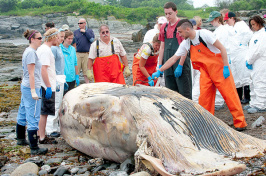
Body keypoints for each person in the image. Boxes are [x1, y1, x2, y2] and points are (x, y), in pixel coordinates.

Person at [152, 19, 247, 131]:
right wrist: (160, 70)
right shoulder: (187, 43)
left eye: (180, 32)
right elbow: (173, 59)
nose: (179, 34)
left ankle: (240, 123)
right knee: (204, 99)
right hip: (205, 72)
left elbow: (222, 48)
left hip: (219, 69)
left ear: (187, 29)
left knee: (230, 95)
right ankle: (206, 123)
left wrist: (226, 67)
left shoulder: (204, 34)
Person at [16, 29, 48, 154]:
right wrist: (34, 90)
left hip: (26, 86)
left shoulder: (29, 51)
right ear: (32, 39)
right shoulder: (31, 53)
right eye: (39, 38)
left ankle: (20, 138)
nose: (41, 40)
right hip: (30, 87)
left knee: (23, 111)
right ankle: (34, 147)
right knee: (33, 115)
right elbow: (31, 74)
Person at [192, 11, 232, 111]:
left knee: (222, 83)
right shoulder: (218, 30)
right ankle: (217, 101)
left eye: (213, 20)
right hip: (216, 58)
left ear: (218, 19)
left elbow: (221, 47)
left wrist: (225, 63)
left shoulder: (222, 30)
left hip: (220, 59)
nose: (211, 23)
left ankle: (219, 102)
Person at [158, 2, 192, 99]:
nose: (168, 16)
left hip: (180, 62)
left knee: (184, 91)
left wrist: (180, 65)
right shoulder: (164, 27)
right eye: (166, 14)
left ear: (176, 12)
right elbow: (162, 47)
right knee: (170, 92)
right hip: (168, 62)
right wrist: (160, 65)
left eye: (170, 13)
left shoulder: (181, 26)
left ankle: (187, 113)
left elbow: (185, 48)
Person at [224, 12, 253, 104]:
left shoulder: (241, 25)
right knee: (235, 76)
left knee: (244, 74)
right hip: (233, 54)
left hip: (241, 52)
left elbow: (248, 34)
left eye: (227, 20)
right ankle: (238, 97)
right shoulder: (230, 28)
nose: (227, 22)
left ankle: (247, 97)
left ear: (233, 18)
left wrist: (242, 43)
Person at [37, 28, 59, 144]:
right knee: (44, 112)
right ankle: (41, 136)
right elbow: (43, 69)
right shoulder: (45, 50)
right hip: (46, 85)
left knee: (44, 112)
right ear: (53, 37)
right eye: (58, 37)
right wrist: (49, 86)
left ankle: (40, 133)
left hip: (46, 84)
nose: (59, 40)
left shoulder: (45, 49)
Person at [46, 29, 66, 138]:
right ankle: (50, 128)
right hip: (56, 78)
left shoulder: (59, 48)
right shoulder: (53, 49)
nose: (61, 39)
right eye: (60, 37)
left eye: (63, 37)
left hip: (61, 77)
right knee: (55, 103)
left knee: (59, 103)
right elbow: (51, 65)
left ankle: (56, 126)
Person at [244, 16, 266, 114]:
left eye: (254, 24)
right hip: (254, 62)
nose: (252, 27)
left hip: (260, 61)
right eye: (251, 25)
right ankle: (253, 103)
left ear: (259, 23)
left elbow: (258, 51)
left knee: (260, 82)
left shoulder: (263, 35)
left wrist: (250, 60)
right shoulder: (256, 34)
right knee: (252, 82)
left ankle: (261, 104)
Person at [143, 16, 167, 87]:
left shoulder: (167, 34)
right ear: (157, 23)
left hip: (159, 61)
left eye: (163, 24)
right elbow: (145, 49)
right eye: (160, 24)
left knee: (161, 82)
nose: (162, 26)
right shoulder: (150, 33)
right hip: (147, 60)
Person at [74, 18, 95, 83]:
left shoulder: (89, 31)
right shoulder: (76, 32)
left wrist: (85, 33)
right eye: (78, 23)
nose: (79, 24)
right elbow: (74, 42)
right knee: (76, 70)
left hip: (86, 53)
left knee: (86, 71)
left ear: (85, 23)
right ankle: (75, 84)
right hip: (78, 53)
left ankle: (87, 84)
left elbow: (92, 40)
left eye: (81, 23)